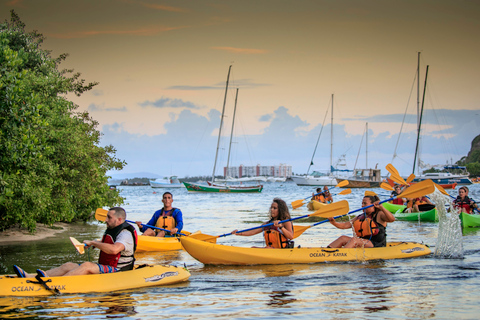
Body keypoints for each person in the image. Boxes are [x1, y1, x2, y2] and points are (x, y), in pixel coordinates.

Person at [13, 207, 137, 278]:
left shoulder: (125, 233)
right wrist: (95, 242)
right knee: (68, 265)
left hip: (119, 271)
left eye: (109, 217)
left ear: (119, 219)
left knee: (87, 265)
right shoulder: (113, 229)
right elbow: (109, 244)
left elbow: (115, 249)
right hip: (108, 267)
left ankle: (59, 283)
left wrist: (94, 243)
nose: (105, 220)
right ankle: (31, 276)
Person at [327, 195, 395, 248]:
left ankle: (342, 255)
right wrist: (334, 222)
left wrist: (382, 208)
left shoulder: (379, 214)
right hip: (364, 242)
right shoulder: (360, 217)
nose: (362, 205)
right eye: (362, 203)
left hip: (377, 244)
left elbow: (392, 219)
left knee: (354, 240)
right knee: (343, 238)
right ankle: (326, 252)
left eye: (365, 203)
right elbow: (345, 225)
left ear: (373, 205)